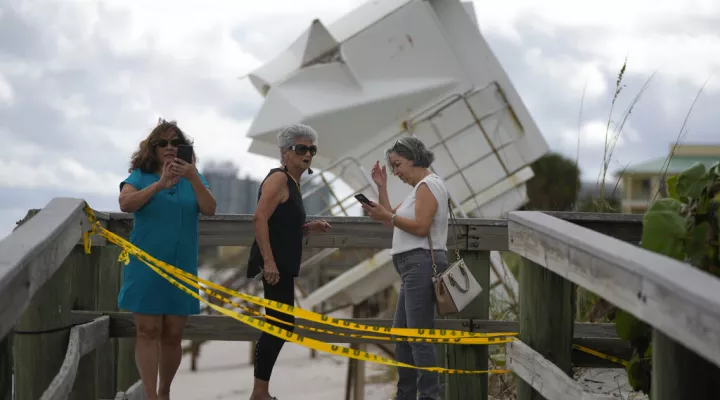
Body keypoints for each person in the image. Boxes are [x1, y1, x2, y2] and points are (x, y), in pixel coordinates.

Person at [117, 119, 216, 400]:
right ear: (153, 149)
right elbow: (126, 203)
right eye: (163, 143)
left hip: (182, 266)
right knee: (148, 330)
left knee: (173, 334)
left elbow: (209, 209)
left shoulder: (194, 177)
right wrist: (160, 184)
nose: (170, 148)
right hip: (145, 265)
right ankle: (150, 396)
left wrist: (193, 177)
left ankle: (164, 392)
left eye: (176, 143)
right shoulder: (141, 174)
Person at [246, 123, 332, 400]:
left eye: (312, 149)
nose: (308, 154)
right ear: (285, 153)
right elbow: (260, 218)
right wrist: (269, 262)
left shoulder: (293, 183)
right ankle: (259, 393)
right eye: (301, 148)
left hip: (282, 264)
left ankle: (260, 392)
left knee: (280, 325)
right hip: (274, 266)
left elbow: (280, 223)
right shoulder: (279, 179)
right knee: (279, 326)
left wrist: (307, 228)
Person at [361, 136, 449, 400]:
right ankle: (406, 394)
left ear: (413, 158)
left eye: (397, 165)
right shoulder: (418, 189)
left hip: (420, 264)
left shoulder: (428, 185)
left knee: (418, 336)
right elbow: (391, 220)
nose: (396, 171)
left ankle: (429, 396)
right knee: (402, 335)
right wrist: (381, 186)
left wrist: (388, 216)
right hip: (411, 266)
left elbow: (421, 227)